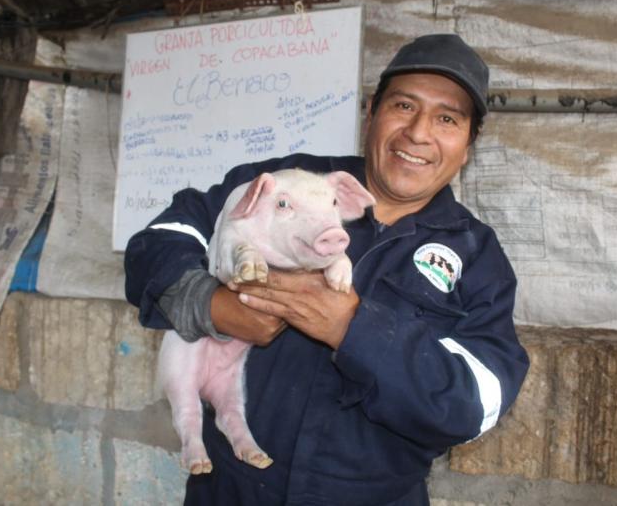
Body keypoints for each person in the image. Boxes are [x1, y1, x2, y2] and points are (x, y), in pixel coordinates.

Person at [125, 33, 529, 506]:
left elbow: (478, 403)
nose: (419, 133)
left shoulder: (477, 256)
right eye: (403, 106)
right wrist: (205, 302)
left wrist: (352, 329)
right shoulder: (291, 182)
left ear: (468, 143)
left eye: (447, 118)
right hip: (230, 490)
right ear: (372, 111)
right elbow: (165, 235)